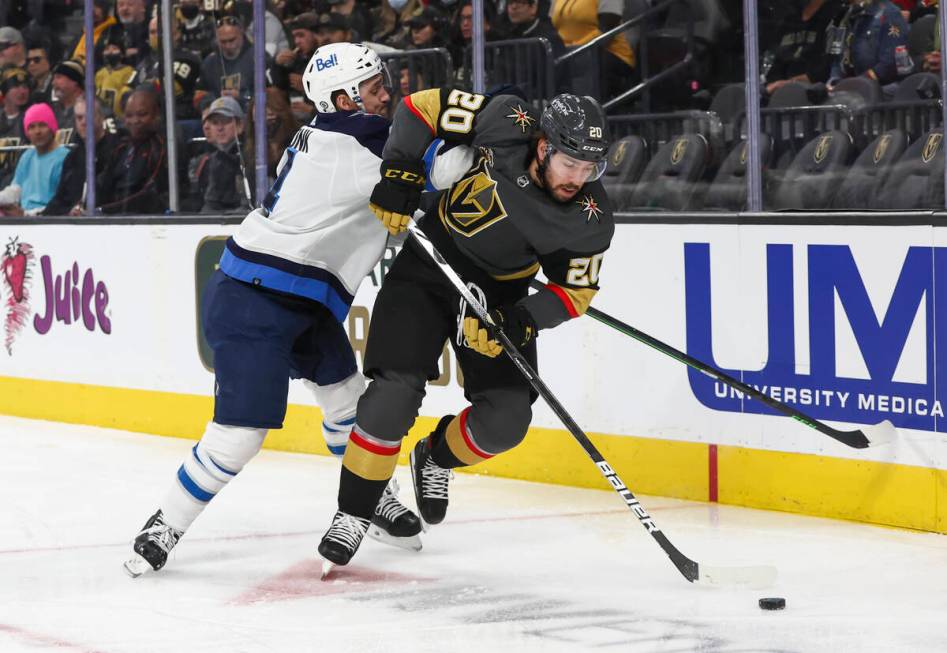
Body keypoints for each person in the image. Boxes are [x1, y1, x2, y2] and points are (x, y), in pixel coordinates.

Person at [123, 43, 423, 578]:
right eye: (376, 88)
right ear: (342, 97)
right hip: (256, 300)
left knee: (347, 400)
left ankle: (371, 496)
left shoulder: (335, 134)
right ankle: (164, 523)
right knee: (239, 436)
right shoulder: (358, 135)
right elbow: (445, 164)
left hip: (297, 294)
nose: (387, 95)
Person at [316, 89, 614, 569]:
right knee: (394, 393)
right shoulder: (508, 120)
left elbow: (575, 292)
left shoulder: (590, 220)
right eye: (571, 163)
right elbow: (419, 108)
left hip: (498, 299)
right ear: (543, 146)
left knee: (506, 421)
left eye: (591, 167)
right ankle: (354, 511)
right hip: (429, 266)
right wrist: (399, 169)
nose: (579, 178)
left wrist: (522, 320)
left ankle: (434, 457)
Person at [96, 86, 169, 214]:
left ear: (156, 114)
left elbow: (150, 195)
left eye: (142, 114)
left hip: (145, 220)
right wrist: (84, 205)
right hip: (112, 217)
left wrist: (105, 210)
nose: (135, 121)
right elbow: (103, 184)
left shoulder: (162, 146)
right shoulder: (121, 147)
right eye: (129, 115)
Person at [44, 97, 120, 216]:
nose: (84, 122)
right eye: (79, 118)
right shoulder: (71, 158)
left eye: (89, 116)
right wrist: (68, 212)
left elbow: (119, 199)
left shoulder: (117, 150)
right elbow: (59, 200)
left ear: (101, 118)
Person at [0, 103, 70, 216]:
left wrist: (25, 214)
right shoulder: (27, 156)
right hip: (24, 219)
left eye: (42, 125)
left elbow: (62, 206)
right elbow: (15, 190)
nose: (37, 131)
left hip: (51, 222)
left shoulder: (66, 158)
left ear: (52, 128)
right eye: (31, 127)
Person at [186, 96, 252, 213]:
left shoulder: (251, 159)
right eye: (215, 122)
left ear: (240, 125)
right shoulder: (207, 161)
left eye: (226, 121)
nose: (220, 128)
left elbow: (249, 206)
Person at [763, 0, 843, 95]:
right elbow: (776, 64)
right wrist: (774, 85)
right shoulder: (790, 20)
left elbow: (833, 65)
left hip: (821, 96)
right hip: (783, 96)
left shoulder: (838, 14)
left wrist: (792, 83)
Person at [827, 0, 912, 86]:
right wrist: (834, 80)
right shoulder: (845, 14)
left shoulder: (891, 14)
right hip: (852, 85)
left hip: (883, 88)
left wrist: (854, 84)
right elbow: (837, 57)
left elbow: (891, 63)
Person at [199, 15, 275, 106]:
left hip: (252, 114)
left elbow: (272, 94)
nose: (228, 45)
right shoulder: (209, 63)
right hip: (220, 114)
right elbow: (200, 94)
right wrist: (209, 105)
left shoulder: (260, 57)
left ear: (241, 32)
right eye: (223, 41)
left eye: (232, 40)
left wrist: (243, 96)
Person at [95, 33, 136, 120]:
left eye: (114, 48)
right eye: (107, 49)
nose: (110, 52)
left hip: (120, 117)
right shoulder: (99, 73)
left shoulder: (129, 71)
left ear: (122, 54)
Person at [51, 60, 85, 135]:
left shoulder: (93, 108)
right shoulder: (52, 110)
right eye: (54, 79)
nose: (53, 83)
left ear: (74, 81)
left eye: (58, 77)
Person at [0, 68, 32, 142]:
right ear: (5, 92)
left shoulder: (31, 116)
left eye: (25, 87)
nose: (22, 92)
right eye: (16, 87)